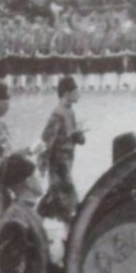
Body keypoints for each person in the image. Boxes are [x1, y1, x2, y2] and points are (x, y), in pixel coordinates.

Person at [37, 75, 84, 227]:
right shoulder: (57, 114)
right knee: (67, 195)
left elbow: (71, 134)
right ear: (66, 93)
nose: (78, 94)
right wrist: (43, 163)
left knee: (55, 195)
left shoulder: (70, 111)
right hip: (58, 161)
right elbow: (47, 139)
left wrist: (79, 136)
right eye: (75, 91)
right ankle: (69, 231)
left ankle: (35, 225)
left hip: (67, 159)